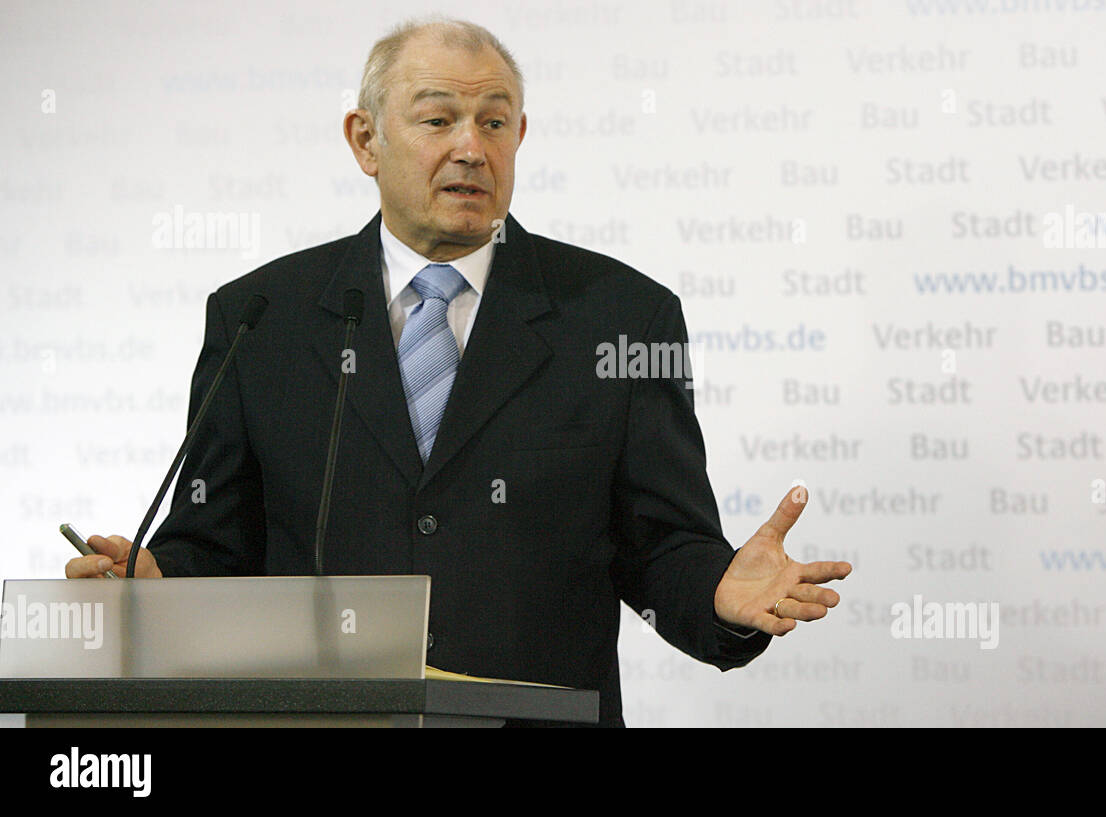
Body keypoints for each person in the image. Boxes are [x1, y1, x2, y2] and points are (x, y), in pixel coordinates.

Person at [66, 17, 852, 726]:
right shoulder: (259, 316)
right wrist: (158, 585)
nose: (471, 146)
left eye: (494, 121)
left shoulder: (622, 318)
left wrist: (721, 594)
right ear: (365, 140)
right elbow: (217, 545)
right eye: (438, 119)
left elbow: (662, 549)